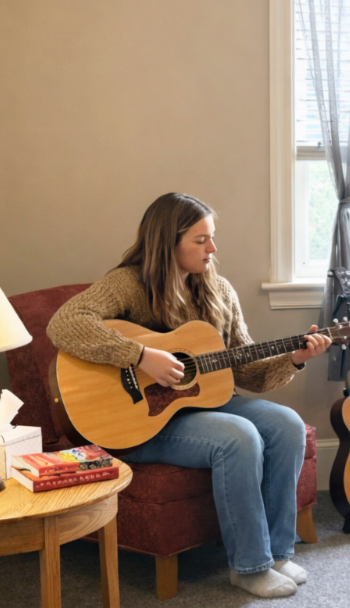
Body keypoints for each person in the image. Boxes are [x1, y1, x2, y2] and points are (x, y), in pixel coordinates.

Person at [48, 193, 330, 599]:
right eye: (200, 240)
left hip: (200, 402)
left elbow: (246, 370)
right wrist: (141, 355)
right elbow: (65, 324)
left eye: (212, 238)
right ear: (168, 242)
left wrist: (295, 359)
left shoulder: (219, 291)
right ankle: (249, 568)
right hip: (137, 421)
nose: (212, 249)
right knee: (238, 436)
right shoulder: (128, 283)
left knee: (286, 424)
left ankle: (277, 552)